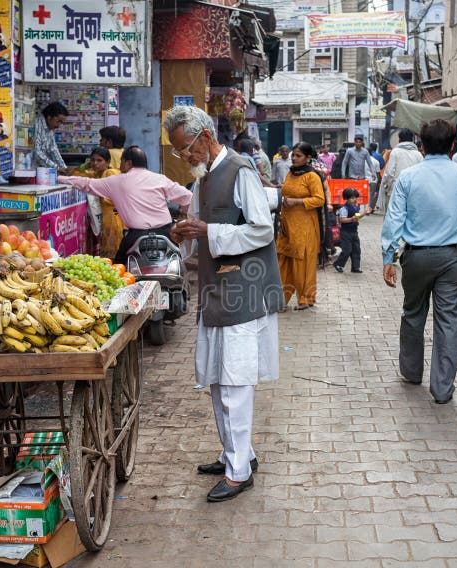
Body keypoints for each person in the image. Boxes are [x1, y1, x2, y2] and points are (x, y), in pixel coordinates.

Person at [164, 105, 283, 502]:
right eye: (179, 152)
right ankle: (237, 454)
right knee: (218, 376)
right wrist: (185, 232)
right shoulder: (203, 180)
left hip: (242, 290)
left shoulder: (240, 170)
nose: (185, 158)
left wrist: (208, 230)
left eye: (187, 149)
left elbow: (262, 229)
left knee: (234, 381)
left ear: (205, 136)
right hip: (217, 289)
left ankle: (238, 472)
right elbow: (202, 228)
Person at [380, 118, 457, 405]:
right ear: (452, 145)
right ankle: (442, 388)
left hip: (415, 256)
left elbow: (393, 219)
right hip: (451, 257)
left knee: (413, 313)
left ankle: (412, 373)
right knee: (449, 320)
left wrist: (389, 258)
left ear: (422, 145)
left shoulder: (408, 177)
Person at [57, 146, 192, 264]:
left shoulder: (116, 181)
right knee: (178, 267)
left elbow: (87, 184)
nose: (120, 165)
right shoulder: (160, 178)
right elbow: (188, 197)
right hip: (166, 234)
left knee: (118, 270)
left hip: (136, 237)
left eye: (121, 161)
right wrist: (187, 216)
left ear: (128, 163)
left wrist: (59, 178)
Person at [276, 142, 326, 309]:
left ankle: (306, 298)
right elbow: (285, 190)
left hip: (305, 226)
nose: (294, 158)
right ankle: (280, 298)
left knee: (301, 261)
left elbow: (320, 199)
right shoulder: (291, 173)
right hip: (287, 225)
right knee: (283, 259)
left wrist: (297, 201)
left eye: (298, 155)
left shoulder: (312, 176)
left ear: (308, 158)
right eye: (293, 155)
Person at [73, 146, 123, 258]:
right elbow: (76, 175)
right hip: (104, 218)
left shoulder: (111, 173)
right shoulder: (96, 174)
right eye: (93, 160)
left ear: (108, 162)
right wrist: (85, 166)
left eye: (99, 160)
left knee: (113, 253)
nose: (95, 163)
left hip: (113, 218)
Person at [377, 129, 423, 214]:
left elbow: (389, 173)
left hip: (396, 190)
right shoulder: (418, 154)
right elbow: (422, 175)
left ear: (399, 139)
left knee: (394, 216)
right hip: (413, 192)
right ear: (412, 140)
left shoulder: (395, 152)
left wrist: (387, 188)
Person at [34, 102, 69, 174]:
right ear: (49, 117)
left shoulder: (49, 128)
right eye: (58, 121)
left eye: (61, 123)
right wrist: (57, 168)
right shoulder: (37, 125)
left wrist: (64, 167)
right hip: (32, 169)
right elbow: (37, 152)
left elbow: (53, 149)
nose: (59, 125)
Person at [333, 187, 363, 273]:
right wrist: (351, 219)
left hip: (354, 231)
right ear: (347, 198)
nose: (355, 200)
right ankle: (338, 264)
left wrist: (364, 213)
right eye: (352, 198)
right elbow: (341, 220)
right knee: (347, 250)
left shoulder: (356, 207)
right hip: (346, 232)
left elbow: (357, 218)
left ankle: (355, 267)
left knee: (356, 250)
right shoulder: (344, 208)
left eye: (355, 197)